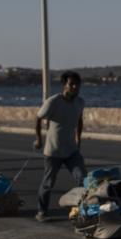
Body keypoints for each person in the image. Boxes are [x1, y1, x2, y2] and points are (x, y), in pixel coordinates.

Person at [34, 71, 87, 221]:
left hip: (71, 150)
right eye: (72, 84)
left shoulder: (80, 102)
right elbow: (38, 118)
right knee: (48, 183)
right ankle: (41, 212)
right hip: (53, 150)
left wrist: (78, 139)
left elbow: (79, 120)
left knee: (83, 178)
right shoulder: (53, 101)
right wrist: (38, 139)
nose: (75, 87)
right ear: (64, 85)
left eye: (77, 84)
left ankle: (82, 210)